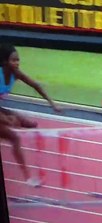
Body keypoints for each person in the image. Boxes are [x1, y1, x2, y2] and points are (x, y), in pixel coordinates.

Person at [0, 44, 60, 187]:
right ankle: (28, 177)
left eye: (18, 60)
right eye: (13, 60)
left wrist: (52, 104)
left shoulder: (16, 74)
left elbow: (36, 85)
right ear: (4, 62)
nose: (17, 63)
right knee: (14, 136)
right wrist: (4, 118)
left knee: (28, 123)